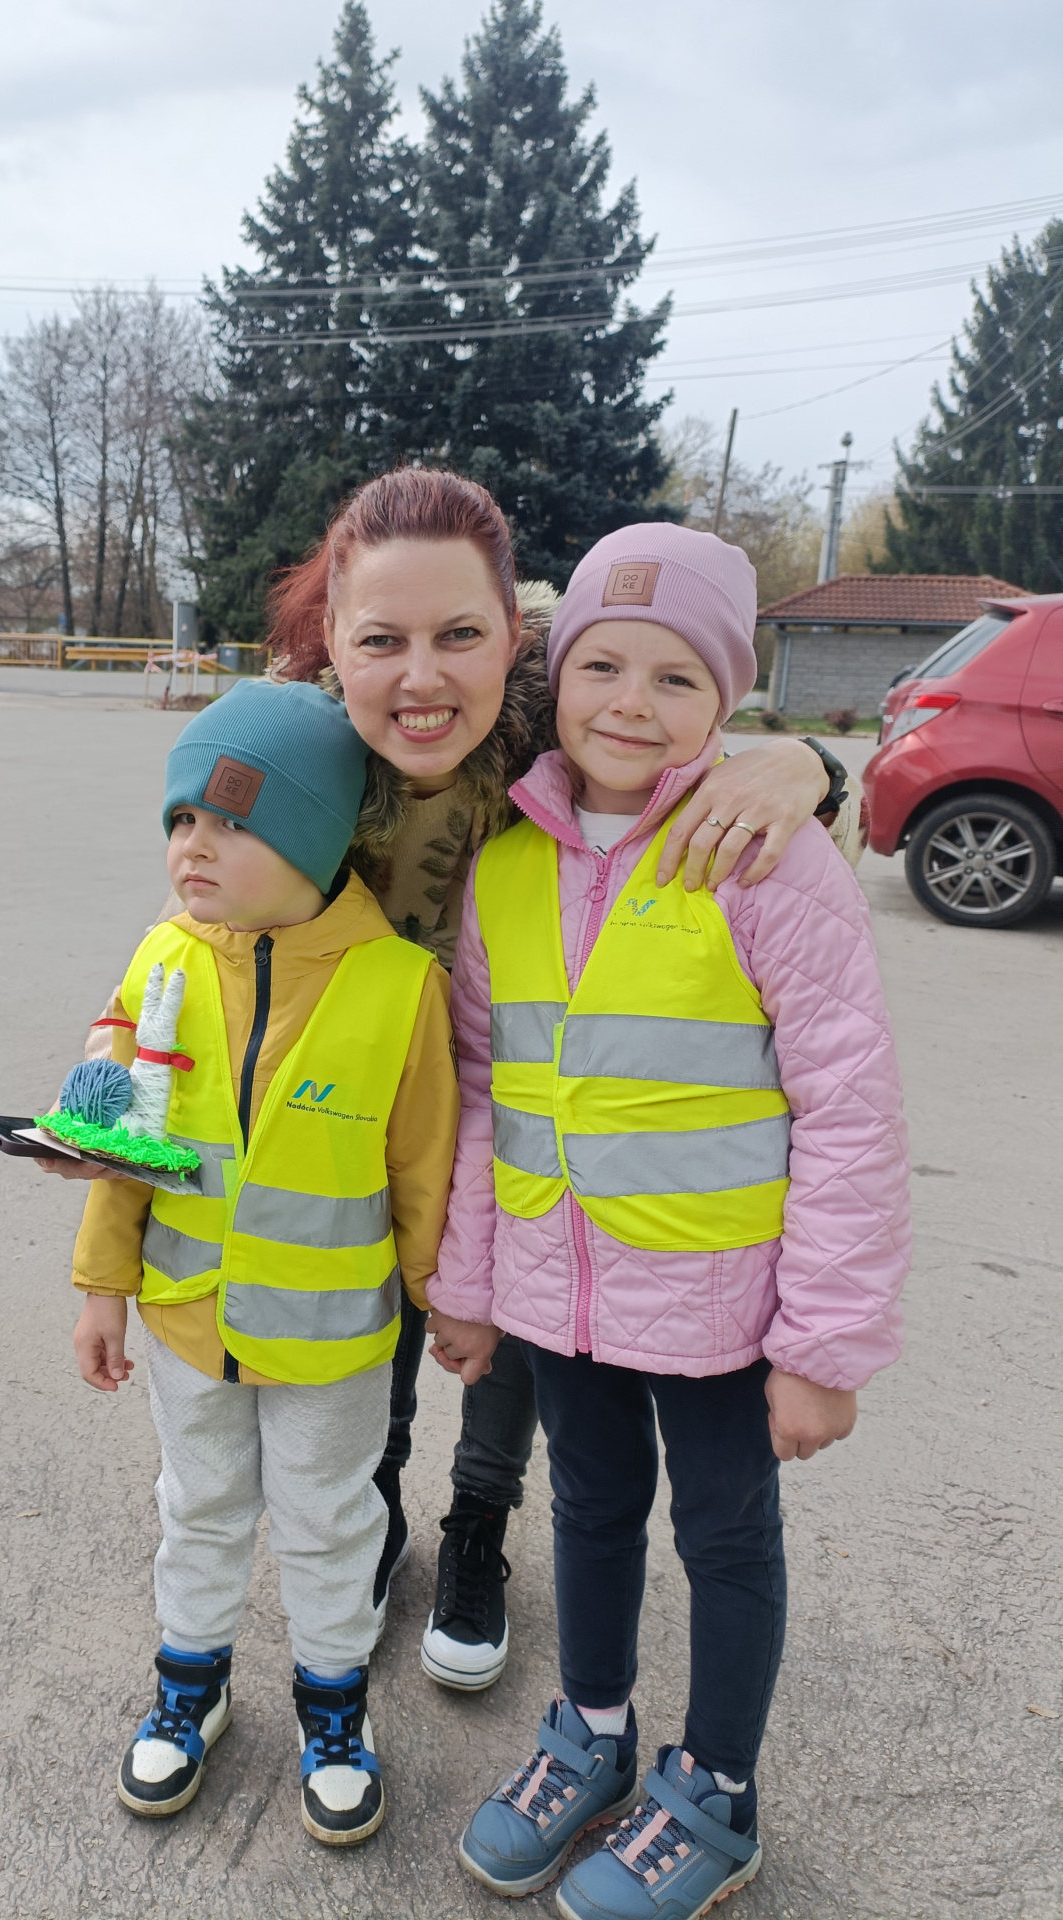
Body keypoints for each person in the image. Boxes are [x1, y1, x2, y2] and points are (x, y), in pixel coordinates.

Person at [48, 468, 859, 1692]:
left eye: (460, 635)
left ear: (516, 637)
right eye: (383, 640)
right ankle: (366, 1507)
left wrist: (811, 765)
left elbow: (692, 747)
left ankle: (478, 1518)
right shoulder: (306, 750)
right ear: (334, 639)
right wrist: (110, 1088)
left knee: (505, 1310)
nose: (421, 678)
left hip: (522, 1089)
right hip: (344, 1081)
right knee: (357, 1312)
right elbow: (190, 923)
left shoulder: (564, 725)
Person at [425, 525, 909, 1915]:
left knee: (725, 1537)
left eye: (677, 677)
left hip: (719, 1305)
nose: (632, 704)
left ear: (727, 699)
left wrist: (823, 1346)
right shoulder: (506, 865)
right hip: (554, 1288)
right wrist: (469, 1283)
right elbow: (481, 1088)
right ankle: (591, 1730)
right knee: (588, 1506)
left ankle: (717, 1791)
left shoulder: (767, 858)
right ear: (555, 678)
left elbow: (850, 1107)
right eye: (603, 666)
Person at [68, 679, 458, 1846]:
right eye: (183, 818)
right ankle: (190, 1684)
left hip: (334, 1343)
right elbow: (121, 1147)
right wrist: (102, 1284)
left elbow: (424, 1166)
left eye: (233, 822)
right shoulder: (163, 959)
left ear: (316, 837)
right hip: (189, 1319)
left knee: (330, 1519)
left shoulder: (400, 985)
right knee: (197, 1505)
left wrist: (452, 1302)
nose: (194, 845)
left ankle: (335, 1708)